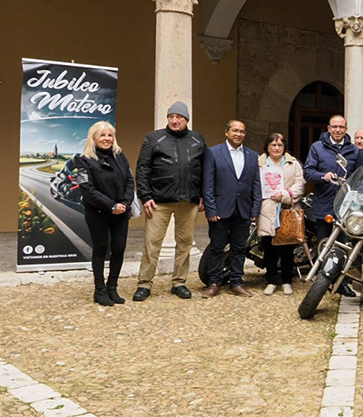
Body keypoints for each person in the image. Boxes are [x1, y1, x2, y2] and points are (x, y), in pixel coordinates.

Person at [133, 101, 207, 302]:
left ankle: (179, 282)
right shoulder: (154, 138)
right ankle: (144, 284)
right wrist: (145, 196)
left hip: (188, 200)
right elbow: (143, 169)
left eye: (179, 117)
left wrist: (203, 195)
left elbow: (206, 169)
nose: (175, 120)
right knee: (152, 243)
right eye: (171, 116)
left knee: (185, 243)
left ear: (186, 120)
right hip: (159, 201)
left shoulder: (197, 140)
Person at [74, 121, 134, 306]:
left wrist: (124, 203)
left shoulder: (120, 156)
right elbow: (87, 189)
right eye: (102, 135)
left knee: (119, 248)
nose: (107, 139)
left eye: (110, 135)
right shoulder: (84, 160)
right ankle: (99, 291)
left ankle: (112, 288)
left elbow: (130, 181)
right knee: (101, 249)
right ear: (94, 138)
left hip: (121, 212)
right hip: (98, 212)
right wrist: (111, 206)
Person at [200, 120, 262, 298]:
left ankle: (236, 282)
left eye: (242, 131)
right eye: (235, 130)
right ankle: (214, 283)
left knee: (239, 248)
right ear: (226, 132)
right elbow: (208, 183)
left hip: (243, 209)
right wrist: (211, 209)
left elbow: (256, 184)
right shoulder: (213, 152)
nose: (239, 134)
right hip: (220, 209)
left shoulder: (252, 155)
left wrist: (255, 209)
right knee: (217, 247)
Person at [256, 133, 306, 296]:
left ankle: (286, 281)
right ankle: (271, 280)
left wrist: (285, 195)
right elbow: (254, 184)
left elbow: (300, 185)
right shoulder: (259, 164)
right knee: (269, 247)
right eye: (273, 145)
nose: (276, 148)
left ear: (284, 148)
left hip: (287, 209)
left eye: (280, 145)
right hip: (267, 209)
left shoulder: (293, 164)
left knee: (287, 248)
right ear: (267, 147)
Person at [304, 115, 358, 241]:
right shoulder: (317, 147)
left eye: (341, 127)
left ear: (346, 129)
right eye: (334, 127)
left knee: (342, 246)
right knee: (323, 244)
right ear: (328, 128)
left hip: (346, 207)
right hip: (324, 204)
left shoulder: (354, 150)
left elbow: (359, 177)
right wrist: (323, 176)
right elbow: (308, 172)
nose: (337, 130)